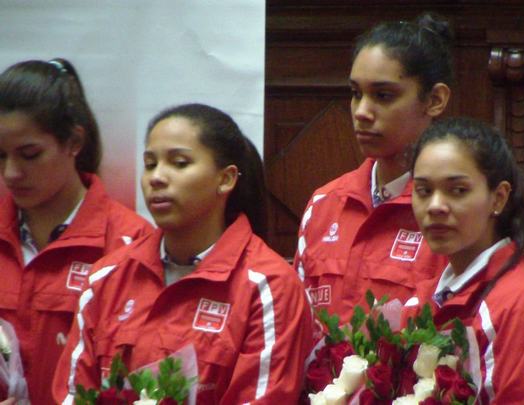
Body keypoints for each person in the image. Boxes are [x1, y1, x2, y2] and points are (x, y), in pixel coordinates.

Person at [53, 103, 314, 404]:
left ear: (226, 179)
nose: (157, 177)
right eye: (150, 164)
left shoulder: (268, 287)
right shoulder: (106, 277)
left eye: (179, 163)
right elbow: (73, 394)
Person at [0, 58, 153, 404]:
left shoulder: (130, 243)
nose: (11, 173)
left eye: (29, 154)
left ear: (73, 142)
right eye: (0, 156)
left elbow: (144, 374)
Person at [294, 13, 452, 324]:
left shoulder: (455, 214)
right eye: (356, 94)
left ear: (435, 100)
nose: (362, 112)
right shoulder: (325, 203)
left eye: (383, 95)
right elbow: (298, 324)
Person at [406, 117, 524, 404]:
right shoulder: (426, 297)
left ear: (498, 198)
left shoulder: (523, 305)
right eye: (424, 191)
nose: (435, 206)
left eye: (457, 190)